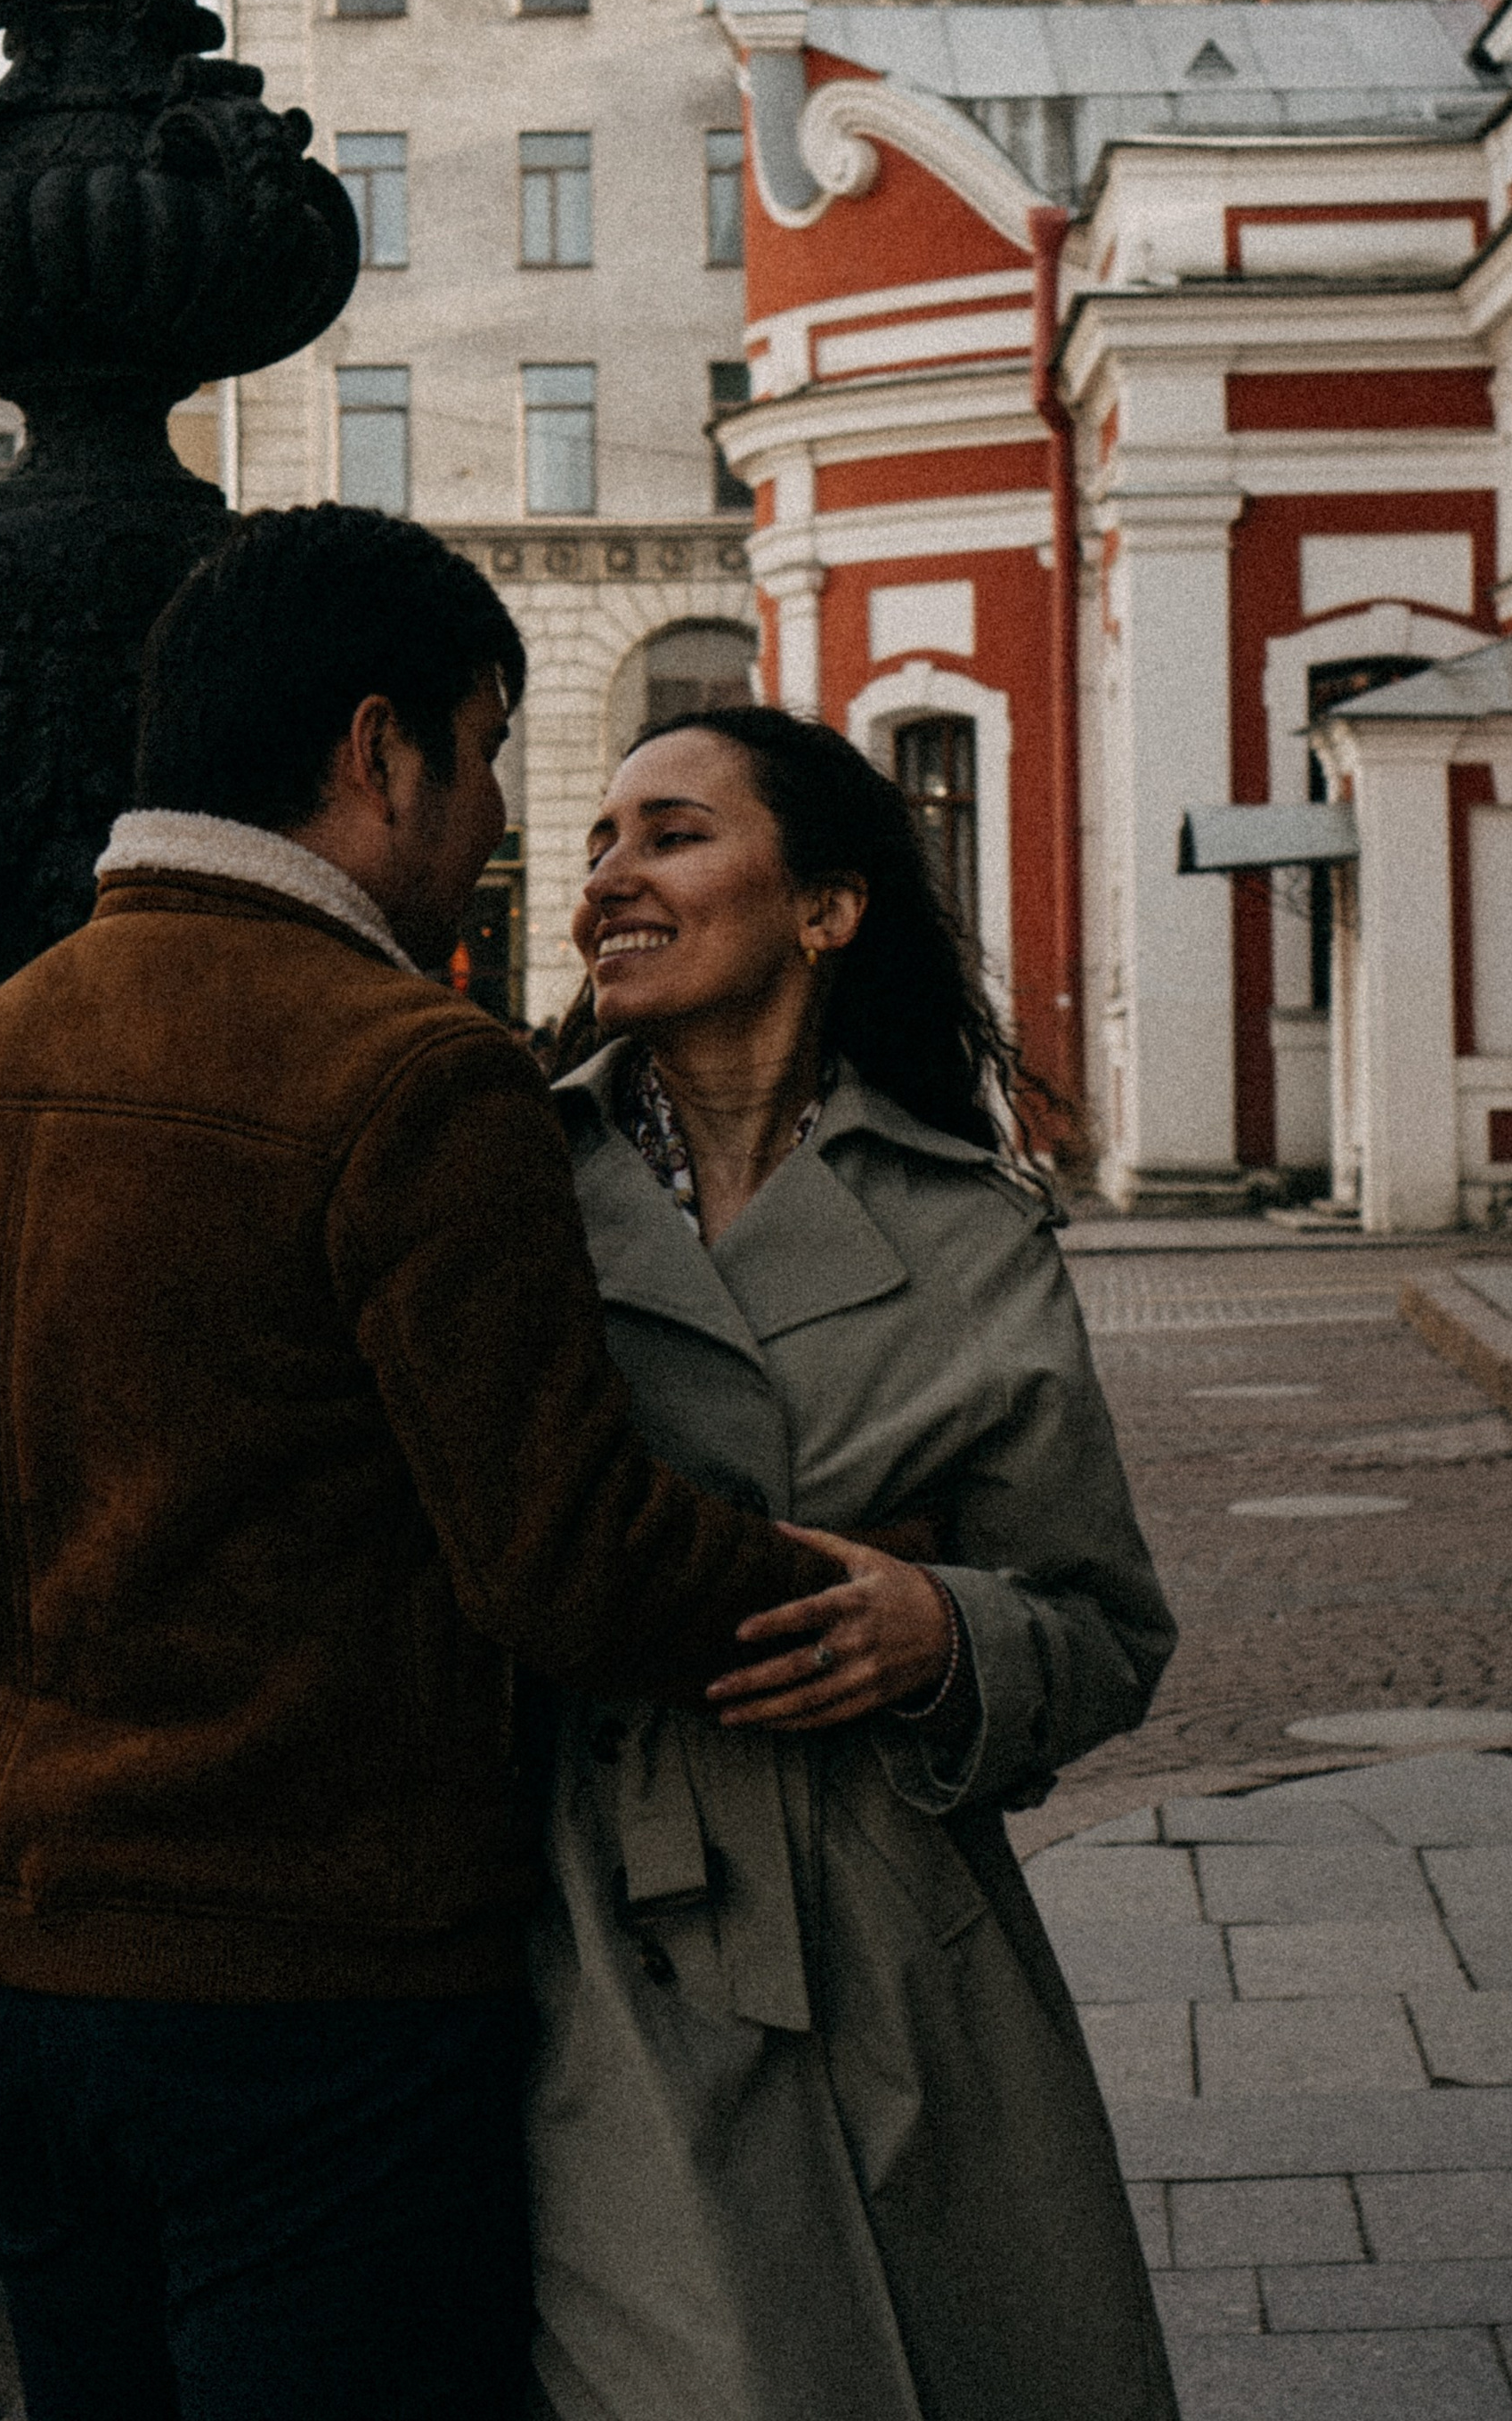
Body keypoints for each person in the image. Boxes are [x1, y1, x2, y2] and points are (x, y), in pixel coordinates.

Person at [0, 509, 900, 2421]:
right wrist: (867, 1592)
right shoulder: (408, 1068)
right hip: (316, 1987)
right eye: (484, 758)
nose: (490, 820)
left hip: (17, 1966)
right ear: (376, 748)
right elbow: (565, 1560)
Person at [531, 705, 1183, 2421]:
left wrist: (943, 1630)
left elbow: (1105, 1627)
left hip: (894, 1927)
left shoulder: (969, 1223)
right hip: (583, 1904)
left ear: (825, 909)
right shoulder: (503, 1176)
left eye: (670, 836)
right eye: (600, 844)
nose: (609, 881)